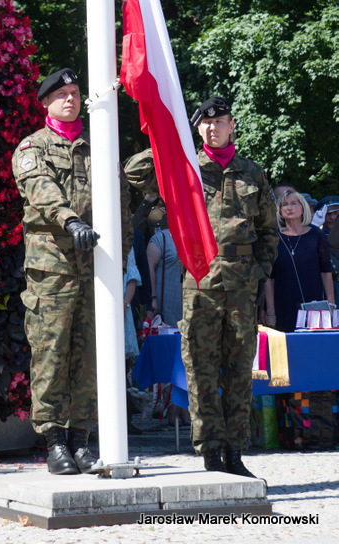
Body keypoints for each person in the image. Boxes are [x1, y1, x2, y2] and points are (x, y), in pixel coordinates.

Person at [125, 96, 278, 478]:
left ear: (231, 125)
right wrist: (172, 140)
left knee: (239, 370)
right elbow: (134, 172)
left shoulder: (252, 173)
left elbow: (268, 230)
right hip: (201, 280)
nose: (213, 128)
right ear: (197, 128)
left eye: (220, 121)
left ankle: (235, 452)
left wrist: (259, 270)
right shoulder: (185, 169)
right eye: (205, 123)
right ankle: (210, 453)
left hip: (241, 283)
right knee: (200, 369)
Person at [12, 68, 132, 475]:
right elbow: (41, 190)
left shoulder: (99, 145)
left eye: (76, 92)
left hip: (96, 268)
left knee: (90, 357)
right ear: (46, 102)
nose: (70, 99)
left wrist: (121, 259)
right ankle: (55, 442)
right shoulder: (33, 147)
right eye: (61, 94)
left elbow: (121, 206)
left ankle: (81, 439)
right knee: (52, 353)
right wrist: (70, 220)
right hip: (53, 269)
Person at [265, 190, 334, 333]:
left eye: (294, 203)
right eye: (285, 204)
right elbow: (269, 279)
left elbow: (326, 271)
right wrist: (270, 312)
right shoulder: (273, 239)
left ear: (303, 208)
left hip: (314, 305)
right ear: (280, 211)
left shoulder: (317, 235)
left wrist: (331, 304)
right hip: (284, 304)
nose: (289, 208)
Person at [146, 225, 182, 327]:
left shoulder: (198, 238)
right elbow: (149, 267)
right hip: (166, 311)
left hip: (191, 309)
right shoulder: (160, 239)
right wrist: (152, 298)